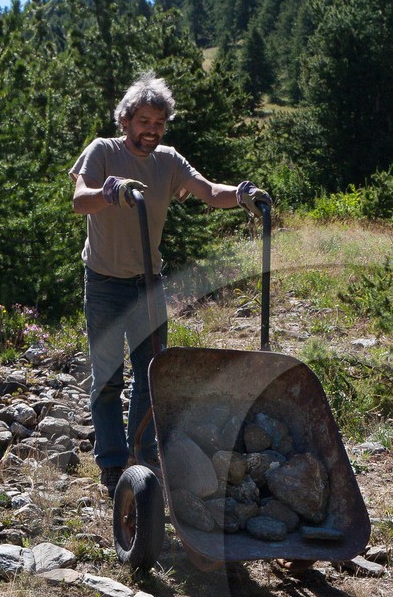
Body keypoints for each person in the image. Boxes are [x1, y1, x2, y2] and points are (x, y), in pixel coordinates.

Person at [70, 72, 269, 495]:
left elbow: (209, 191)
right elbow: (79, 199)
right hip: (104, 283)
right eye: (144, 121)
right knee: (108, 377)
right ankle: (112, 463)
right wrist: (110, 191)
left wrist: (242, 194)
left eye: (159, 123)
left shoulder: (169, 160)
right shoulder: (103, 151)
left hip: (148, 284)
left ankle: (142, 456)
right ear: (126, 120)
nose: (152, 130)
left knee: (152, 374)